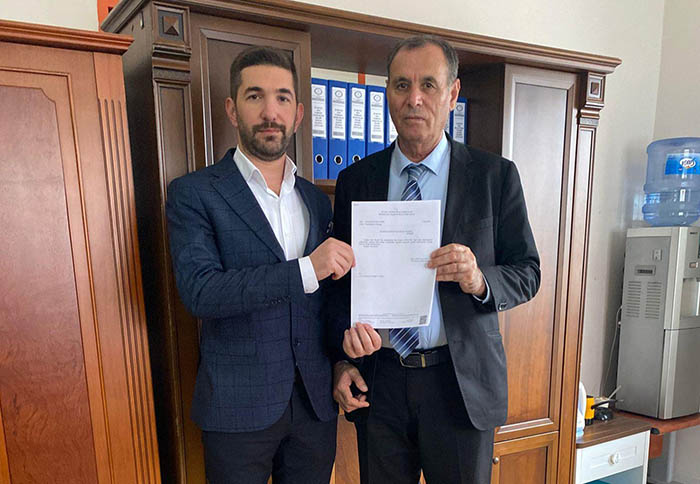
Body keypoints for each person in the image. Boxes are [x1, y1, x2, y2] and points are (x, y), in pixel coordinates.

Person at [330, 35, 541, 483]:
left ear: (452, 93)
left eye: (428, 84)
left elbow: (528, 272)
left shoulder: (495, 176)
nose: (414, 99)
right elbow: (338, 284)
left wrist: (479, 279)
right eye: (401, 85)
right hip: (380, 381)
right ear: (388, 92)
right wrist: (342, 356)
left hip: (459, 384)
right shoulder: (355, 180)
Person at [166, 46, 354, 484]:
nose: (271, 112)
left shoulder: (315, 199)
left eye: (282, 98)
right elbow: (201, 292)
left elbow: (327, 302)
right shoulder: (194, 193)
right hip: (237, 409)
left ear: (299, 113)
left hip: (314, 405)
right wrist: (305, 270)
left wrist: (343, 361)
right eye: (255, 96)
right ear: (232, 109)